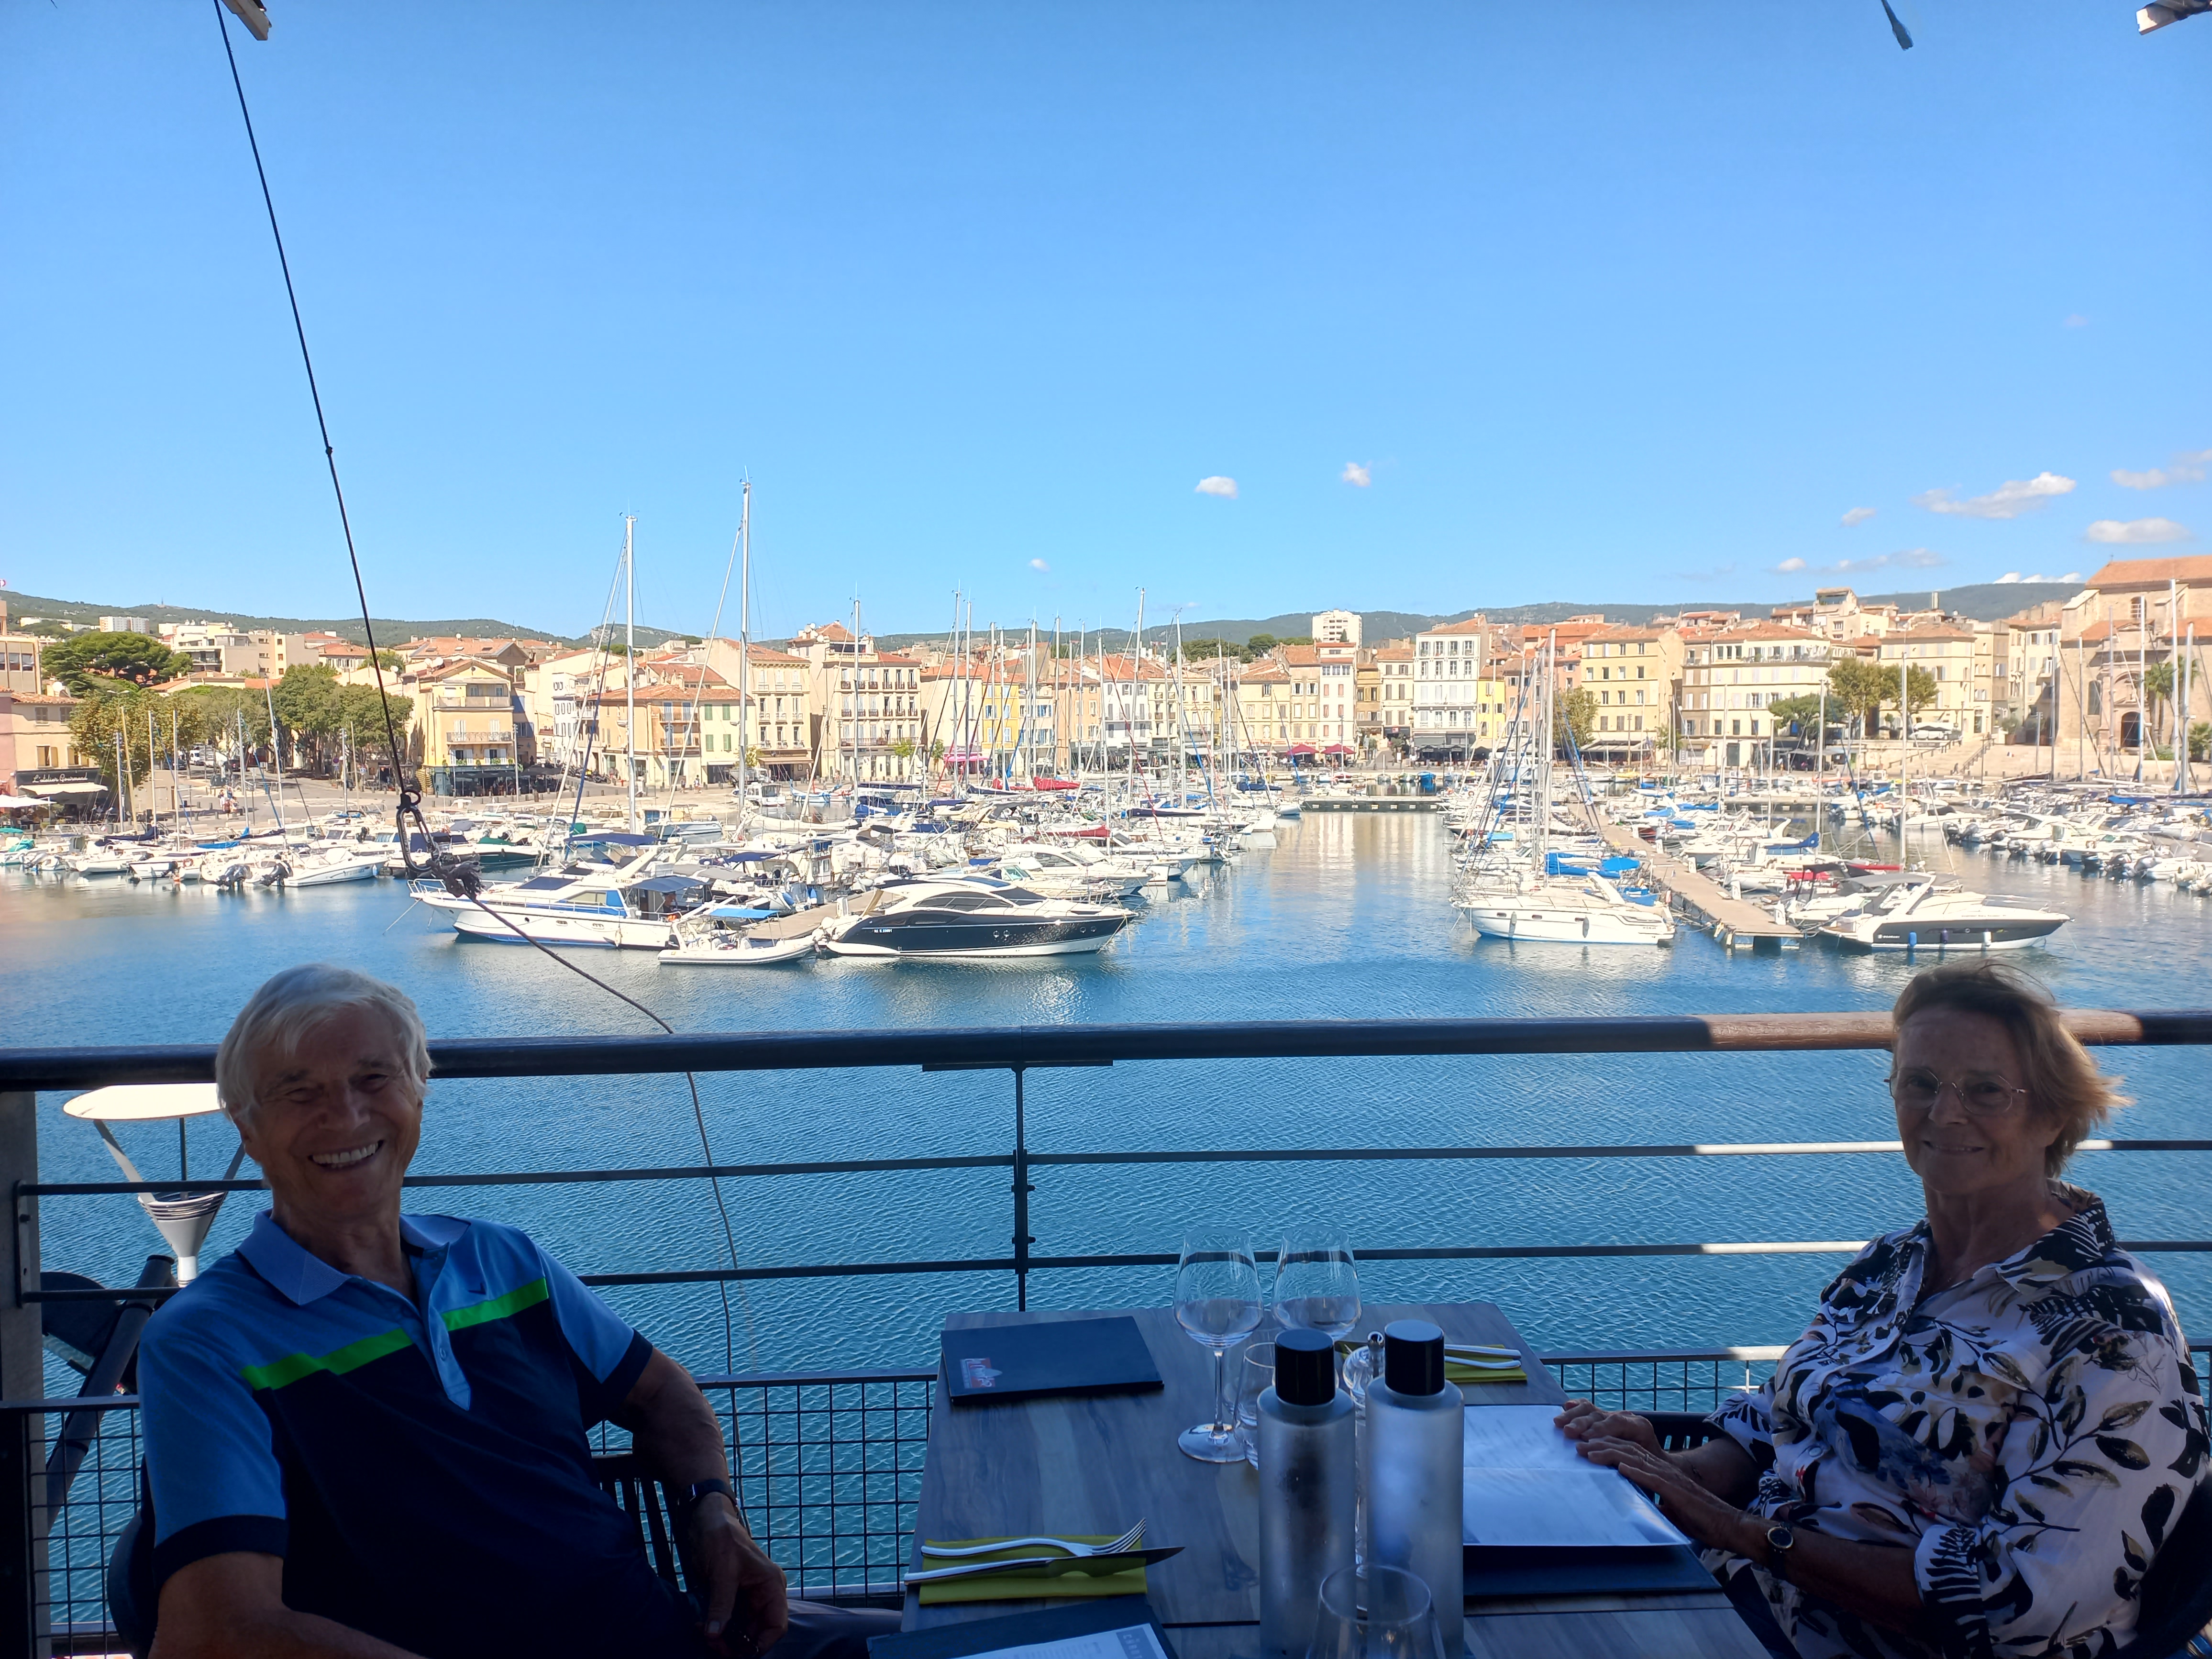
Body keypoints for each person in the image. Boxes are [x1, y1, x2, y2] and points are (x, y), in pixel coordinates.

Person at [138, 963, 897, 1659]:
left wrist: (712, 1510)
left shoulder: (502, 1260)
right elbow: (219, 1631)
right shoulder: (209, 1340)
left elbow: (662, 1393)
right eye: (300, 1092)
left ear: (419, 1090)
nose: (346, 1114)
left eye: (374, 1078)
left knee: (957, 1640)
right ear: (245, 1126)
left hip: (674, 1636)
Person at [1557, 960, 2210, 1659]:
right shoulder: (1893, 1262)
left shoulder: (2113, 1332)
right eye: (1920, 1083)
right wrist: (1668, 1470)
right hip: (1741, 1593)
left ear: (2053, 1115)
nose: (1945, 1113)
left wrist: (1742, 1532)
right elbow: (1781, 1418)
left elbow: (2012, 1606)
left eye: (1986, 1090)